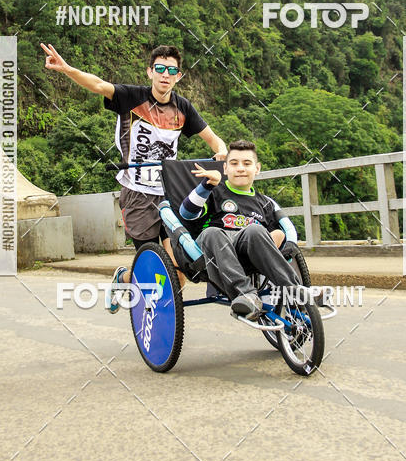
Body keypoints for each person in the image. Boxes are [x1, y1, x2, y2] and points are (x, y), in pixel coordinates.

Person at [40, 42, 227, 307]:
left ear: (178, 76)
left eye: (171, 70)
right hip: (137, 193)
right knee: (150, 270)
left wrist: (221, 152)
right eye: (159, 68)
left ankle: (164, 319)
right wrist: (66, 68)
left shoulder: (183, 108)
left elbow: (214, 140)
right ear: (150, 72)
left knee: (180, 269)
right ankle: (124, 279)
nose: (165, 74)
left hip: (170, 193)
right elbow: (97, 85)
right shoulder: (132, 97)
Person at [179, 139, 303, 320]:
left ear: (257, 168)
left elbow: (279, 232)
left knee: (257, 230)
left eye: (247, 163)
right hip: (214, 250)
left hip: (249, 252)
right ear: (225, 168)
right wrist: (207, 186)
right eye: (234, 163)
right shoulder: (214, 192)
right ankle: (246, 295)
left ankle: (295, 290)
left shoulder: (265, 203)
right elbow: (186, 213)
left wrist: (280, 237)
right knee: (212, 233)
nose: (240, 168)